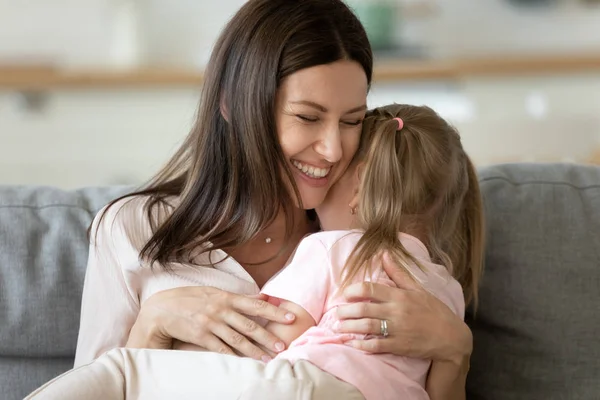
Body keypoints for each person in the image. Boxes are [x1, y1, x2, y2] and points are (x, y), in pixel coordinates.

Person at [30, 0, 474, 398]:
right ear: (233, 104)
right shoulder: (133, 229)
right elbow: (97, 386)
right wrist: (154, 325)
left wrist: (455, 351)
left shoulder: (365, 233)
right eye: (307, 117)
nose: (333, 150)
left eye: (352, 121)